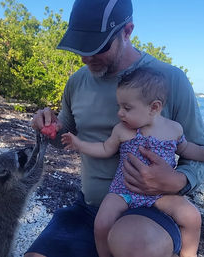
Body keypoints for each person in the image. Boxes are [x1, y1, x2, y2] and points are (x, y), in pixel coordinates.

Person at [25, 0, 204, 256]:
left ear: (127, 31)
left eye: (97, 47)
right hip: (88, 207)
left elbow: (196, 150)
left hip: (152, 210)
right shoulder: (77, 82)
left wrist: (178, 180)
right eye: (81, 47)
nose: (86, 57)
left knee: (134, 246)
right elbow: (66, 136)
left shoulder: (170, 80)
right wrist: (49, 129)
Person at [61, 67, 203, 257]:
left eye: (127, 108)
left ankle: (189, 254)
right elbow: (104, 149)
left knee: (192, 217)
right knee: (102, 223)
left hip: (161, 193)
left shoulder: (174, 129)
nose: (119, 113)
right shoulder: (122, 130)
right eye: (119, 106)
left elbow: (188, 149)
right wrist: (78, 144)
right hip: (123, 191)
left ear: (154, 107)